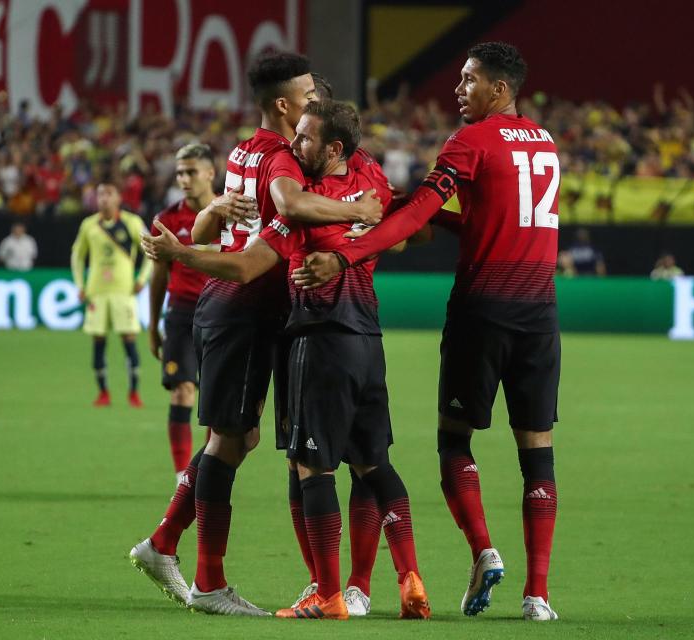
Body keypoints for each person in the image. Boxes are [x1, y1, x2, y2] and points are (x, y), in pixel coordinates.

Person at [292, 42, 562, 622]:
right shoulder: (543, 141)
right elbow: (481, 221)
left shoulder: (468, 141)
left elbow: (417, 220)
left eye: (469, 80)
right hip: (540, 315)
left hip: (483, 311)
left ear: (499, 89)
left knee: (454, 442)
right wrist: (408, 202)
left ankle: (483, 548)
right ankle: (538, 597)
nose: (458, 89)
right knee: (537, 453)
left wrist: (348, 254)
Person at [143, 100, 432, 621]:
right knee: (374, 464)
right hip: (369, 337)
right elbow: (413, 229)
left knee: (309, 466)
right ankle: (410, 577)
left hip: (318, 341)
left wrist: (182, 254)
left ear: (333, 148)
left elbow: (248, 265)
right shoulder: (372, 181)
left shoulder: (300, 209)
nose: (293, 145)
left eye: (304, 137)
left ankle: (327, 594)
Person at [147, 143, 218, 484]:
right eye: (179, 173)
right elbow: (159, 274)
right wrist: (152, 325)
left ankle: (209, 469)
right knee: (182, 390)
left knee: (216, 398)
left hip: (222, 312)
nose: (184, 179)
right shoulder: (167, 220)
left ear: (210, 173)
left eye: (191, 171)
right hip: (181, 313)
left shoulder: (230, 213)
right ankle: (182, 475)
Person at [71, 183, 152, 408]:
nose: (104, 199)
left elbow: (151, 251)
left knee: (129, 341)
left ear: (118, 198)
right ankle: (103, 392)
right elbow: (77, 257)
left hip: (123, 292)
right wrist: (80, 284)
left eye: (108, 194)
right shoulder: (89, 225)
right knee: (98, 342)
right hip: (96, 293)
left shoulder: (132, 222)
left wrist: (142, 279)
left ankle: (134, 392)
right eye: (100, 195)